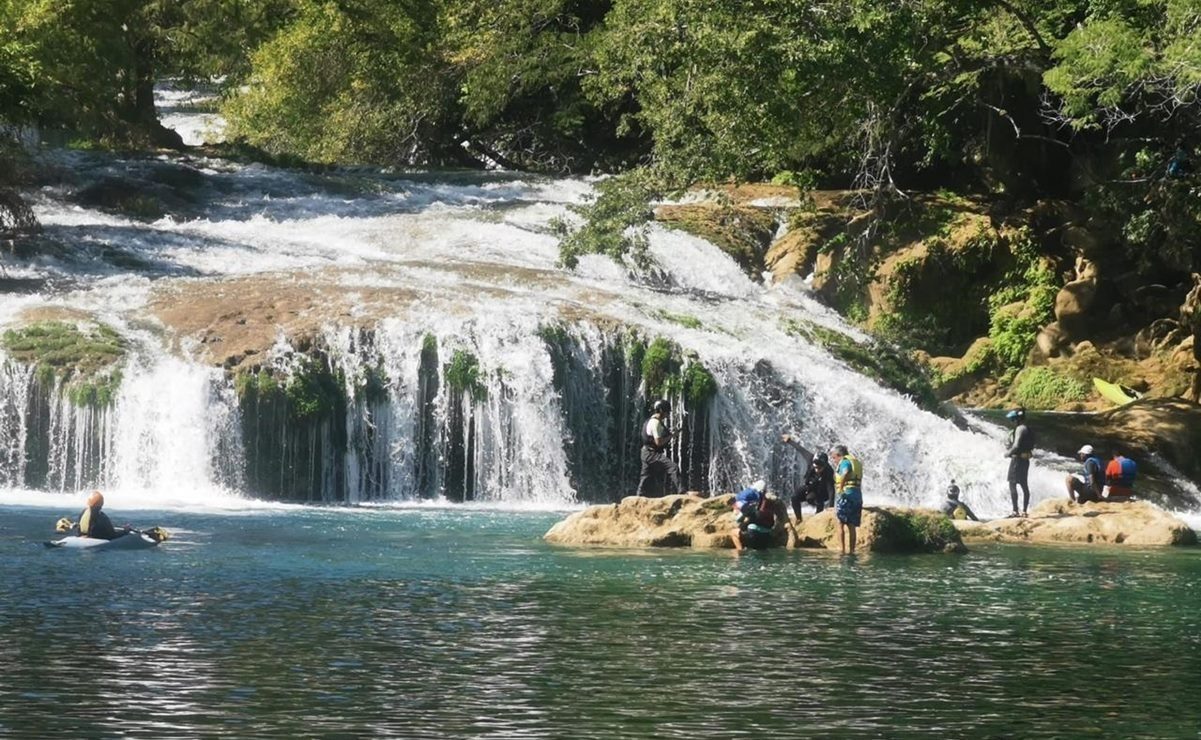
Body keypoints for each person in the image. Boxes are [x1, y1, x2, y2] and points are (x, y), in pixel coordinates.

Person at [636, 399, 682, 497]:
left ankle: (639, 497)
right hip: (651, 453)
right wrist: (672, 436)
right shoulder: (656, 423)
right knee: (673, 468)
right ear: (661, 410)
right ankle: (682, 491)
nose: (667, 414)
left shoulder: (649, 421)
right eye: (667, 412)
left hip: (645, 452)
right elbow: (658, 442)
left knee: (645, 477)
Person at [786, 444, 835, 522]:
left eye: (820, 468)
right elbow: (801, 449)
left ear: (825, 466)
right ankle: (798, 518)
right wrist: (789, 441)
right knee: (794, 497)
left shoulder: (828, 471)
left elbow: (831, 490)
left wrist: (831, 507)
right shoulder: (810, 458)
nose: (817, 470)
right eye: (816, 467)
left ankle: (818, 517)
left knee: (811, 499)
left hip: (822, 491)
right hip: (810, 486)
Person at [830, 445, 862, 554]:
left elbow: (846, 471)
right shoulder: (855, 461)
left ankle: (841, 549)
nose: (833, 461)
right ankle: (852, 550)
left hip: (846, 495)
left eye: (834, 458)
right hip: (857, 494)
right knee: (852, 525)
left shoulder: (844, 462)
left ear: (839, 455)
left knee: (840, 522)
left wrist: (840, 488)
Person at [1004, 408, 1034, 517]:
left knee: (1012, 484)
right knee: (1024, 485)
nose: (1012, 422)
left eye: (1013, 420)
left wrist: (1007, 453)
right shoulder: (1028, 429)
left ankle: (1015, 511)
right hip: (1025, 460)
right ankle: (1025, 511)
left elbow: (1016, 446)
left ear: (1017, 419)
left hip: (1017, 460)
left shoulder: (1019, 429)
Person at [731, 480, 776, 551]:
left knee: (734, 532)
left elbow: (738, 519)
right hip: (767, 536)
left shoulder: (750, 505)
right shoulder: (768, 502)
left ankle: (739, 552)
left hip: (753, 534)